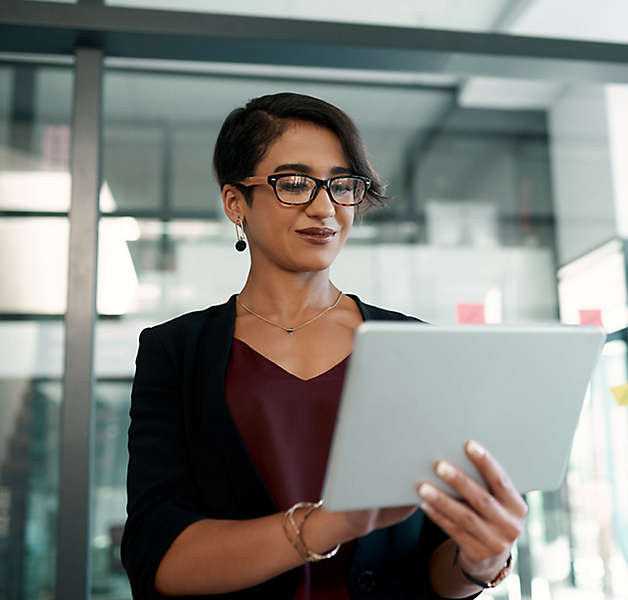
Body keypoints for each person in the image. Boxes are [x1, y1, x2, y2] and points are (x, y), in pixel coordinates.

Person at [120, 92, 528, 599]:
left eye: (341, 184)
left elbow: (437, 567)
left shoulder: (416, 346)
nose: (324, 206)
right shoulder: (176, 352)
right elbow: (158, 558)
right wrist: (328, 523)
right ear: (234, 202)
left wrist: (481, 559)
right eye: (293, 183)